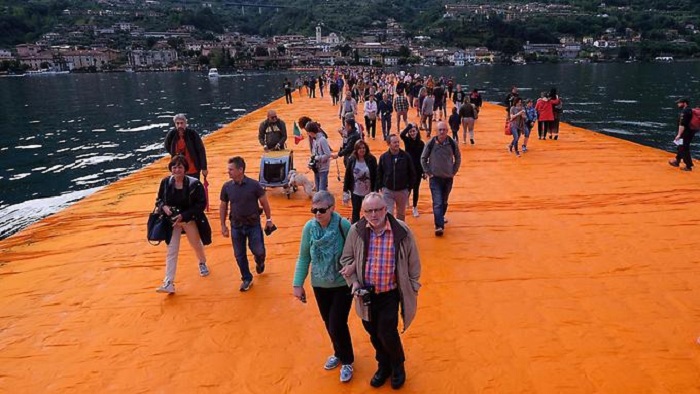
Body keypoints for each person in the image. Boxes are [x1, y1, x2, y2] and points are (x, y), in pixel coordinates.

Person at [339, 192, 421, 390]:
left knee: (386, 331)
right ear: (363, 212)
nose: (374, 214)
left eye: (377, 209)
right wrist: (354, 282)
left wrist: (413, 286)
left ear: (386, 209)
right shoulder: (356, 231)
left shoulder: (402, 231)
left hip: (390, 294)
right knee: (373, 333)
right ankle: (383, 365)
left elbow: (413, 263)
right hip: (365, 295)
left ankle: (397, 365)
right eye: (369, 211)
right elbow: (346, 259)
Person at [293, 191, 355, 383]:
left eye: (321, 210)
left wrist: (351, 267)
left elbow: (355, 251)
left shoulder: (342, 225)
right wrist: (298, 284)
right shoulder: (309, 228)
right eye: (314, 210)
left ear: (332, 208)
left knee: (337, 323)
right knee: (329, 323)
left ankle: (347, 360)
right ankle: (338, 351)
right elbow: (304, 257)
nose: (317, 214)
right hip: (319, 284)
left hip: (341, 283)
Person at [155, 155, 211, 294]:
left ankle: (202, 262)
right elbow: (159, 199)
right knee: (171, 250)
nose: (177, 170)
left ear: (185, 169)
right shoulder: (166, 182)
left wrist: (184, 216)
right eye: (174, 167)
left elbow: (201, 204)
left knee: (196, 244)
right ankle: (168, 282)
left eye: (180, 167)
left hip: (188, 219)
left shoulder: (195, 184)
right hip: (172, 222)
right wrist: (164, 207)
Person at [219, 156, 275, 292]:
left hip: (253, 224)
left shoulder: (254, 185)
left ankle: (259, 261)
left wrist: (268, 220)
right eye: (228, 169)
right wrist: (223, 225)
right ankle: (246, 278)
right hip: (236, 226)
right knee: (239, 254)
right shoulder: (226, 187)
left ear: (240, 170)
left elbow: (264, 202)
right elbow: (223, 206)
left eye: (231, 169)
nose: (229, 172)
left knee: (259, 250)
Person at [421, 121, 461, 236]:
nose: (442, 132)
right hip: (435, 178)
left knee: (444, 201)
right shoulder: (431, 143)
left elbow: (458, 157)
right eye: (440, 130)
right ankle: (439, 226)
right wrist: (428, 172)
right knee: (437, 202)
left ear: (447, 131)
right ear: (436, 131)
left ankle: (440, 216)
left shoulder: (452, 143)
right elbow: (423, 158)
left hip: (448, 178)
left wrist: (454, 171)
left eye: (444, 130)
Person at [377, 134, 416, 221]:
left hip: (402, 190)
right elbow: (379, 172)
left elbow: (412, 173)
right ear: (389, 144)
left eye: (398, 142)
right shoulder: (384, 157)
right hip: (388, 190)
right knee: (388, 214)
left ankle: (400, 232)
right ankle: (390, 231)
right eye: (394, 142)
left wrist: (409, 188)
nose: (397, 144)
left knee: (401, 215)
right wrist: (381, 187)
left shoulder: (406, 156)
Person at [164, 114, 208, 180]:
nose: (180, 126)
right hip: (178, 169)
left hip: (193, 168)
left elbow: (201, 151)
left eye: (181, 123)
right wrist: (174, 154)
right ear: (175, 124)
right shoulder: (172, 134)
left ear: (185, 123)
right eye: (177, 123)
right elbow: (167, 146)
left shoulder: (192, 134)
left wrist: (204, 168)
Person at [343, 140, 378, 223]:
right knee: (355, 211)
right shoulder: (352, 160)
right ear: (356, 150)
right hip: (356, 191)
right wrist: (345, 190)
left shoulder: (371, 159)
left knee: (369, 210)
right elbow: (347, 175)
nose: (362, 150)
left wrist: (376, 189)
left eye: (363, 148)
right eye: (360, 148)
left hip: (369, 191)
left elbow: (376, 175)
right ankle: (355, 229)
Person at [400, 123, 425, 218]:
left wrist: (423, 171)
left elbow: (423, 157)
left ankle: (415, 207)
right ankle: (406, 199)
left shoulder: (422, 143)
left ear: (417, 132)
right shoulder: (407, 141)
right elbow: (402, 135)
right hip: (408, 169)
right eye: (410, 132)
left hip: (418, 169)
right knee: (408, 187)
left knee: (416, 188)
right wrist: (409, 126)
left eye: (414, 131)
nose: (412, 133)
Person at [669, 98, 697, 171]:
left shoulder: (684, 112)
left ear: (684, 103)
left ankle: (688, 165)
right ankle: (677, 161)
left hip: (685, 133)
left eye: (679, 103)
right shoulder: (690, 110)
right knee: (681, 146)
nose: (678, 104)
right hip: (690, 131)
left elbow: (682, 124)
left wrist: (679, 135)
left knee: (684, 147)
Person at [307, 122, 332, 191]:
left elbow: (328, 154)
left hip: (323, 168)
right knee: (318, 189)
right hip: (317, 168)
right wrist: (310, 162)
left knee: (322, 190)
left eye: (308, 132)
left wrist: (318, 158)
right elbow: (313, 154)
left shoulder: (322, 140)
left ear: (311, 132)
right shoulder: (315, 140)